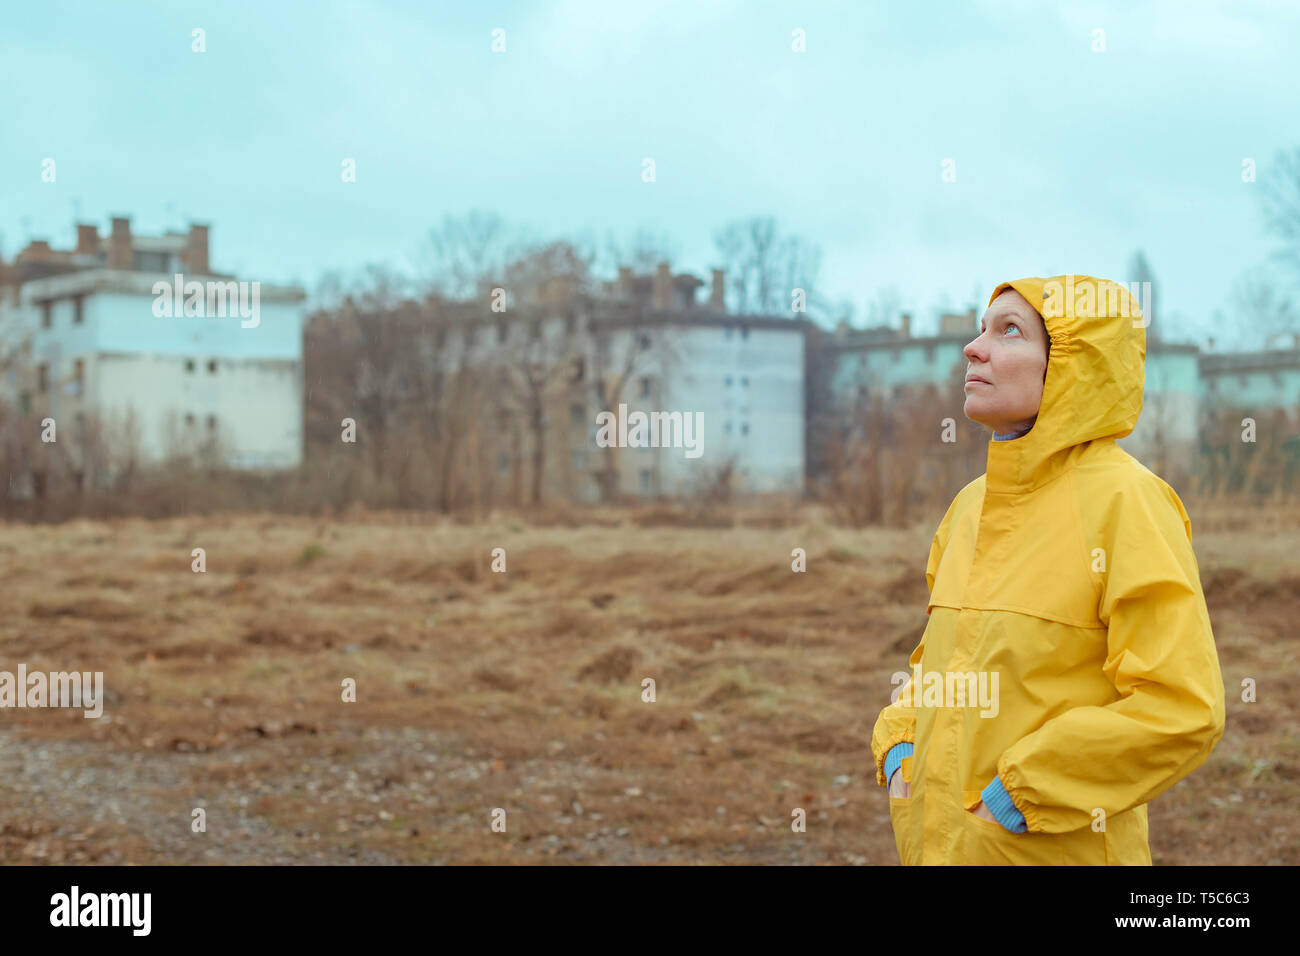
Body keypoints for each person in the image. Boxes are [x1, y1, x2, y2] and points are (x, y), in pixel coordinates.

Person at [871, 275, 1225, 865]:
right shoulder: (970, 506)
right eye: (981, 330)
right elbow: (941, 659)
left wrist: (1021, 793)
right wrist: (902, 742)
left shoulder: (1127, 502)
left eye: (1009, 331)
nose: (973, 349)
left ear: (1072, 365)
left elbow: (1181, 706)